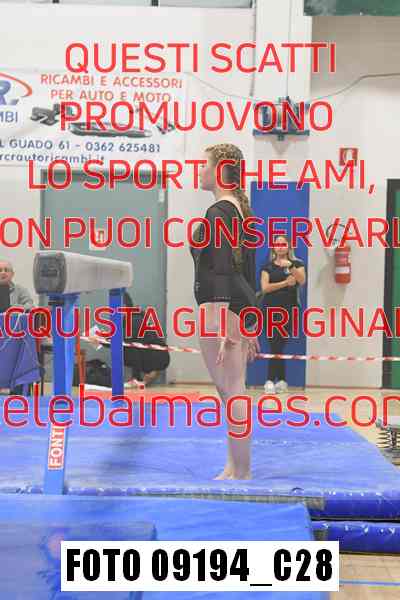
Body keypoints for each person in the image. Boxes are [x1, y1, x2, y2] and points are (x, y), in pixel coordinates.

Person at [190, 143, 260, 480]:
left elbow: (222, 268)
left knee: (232, 390)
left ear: (220, 170)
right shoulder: (240, 211)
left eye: (203, 164)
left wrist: (219, 322)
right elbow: (247, 271)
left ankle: (242, 470)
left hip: (221, 307)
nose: (199, 170)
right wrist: (250, 320)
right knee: (230, 390)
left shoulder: (219, 212)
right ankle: (234, 465)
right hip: (236, 305)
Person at [87, 291, 170, 387]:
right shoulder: (131, 318)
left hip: (158, 357)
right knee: (128, 346)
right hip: (155, 354)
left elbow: (121, 340)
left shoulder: (134, 320)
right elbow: (119, 338)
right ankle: (143, 375)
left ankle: (138, 378)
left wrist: (101, 340)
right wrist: (103, 337)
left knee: (127, 348)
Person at [260, 234, 306, 394]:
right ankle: (272, 380)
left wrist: (291, 267)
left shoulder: (297, 264)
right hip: (270, 309)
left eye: (283, 244)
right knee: (274, 343)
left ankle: (279, 380)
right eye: (277, 244)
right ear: (273, 248)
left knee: (280, 343)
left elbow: (302, 280)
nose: (280, 247)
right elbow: (265, 288)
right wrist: (285, 283)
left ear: (289, 246)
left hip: (289, 309)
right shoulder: (268, 266)